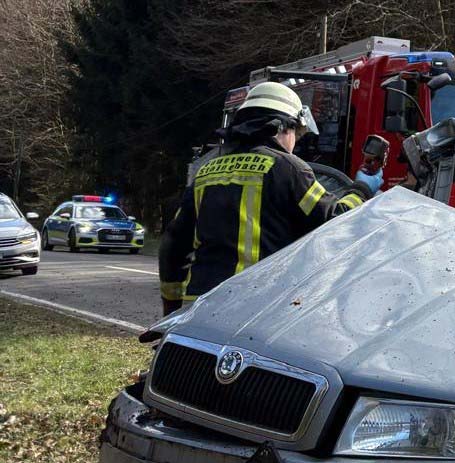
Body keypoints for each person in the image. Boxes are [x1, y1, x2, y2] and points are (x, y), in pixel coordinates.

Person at [158, 82, 371, 315]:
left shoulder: (207, 173)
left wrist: (171, 311)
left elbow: (173, 245)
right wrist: (362, 188)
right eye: (296, 134)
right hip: (258, 309)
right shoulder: (288, 168)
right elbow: (336, 220)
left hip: (199, 306)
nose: (294, 143)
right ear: (283, 129)